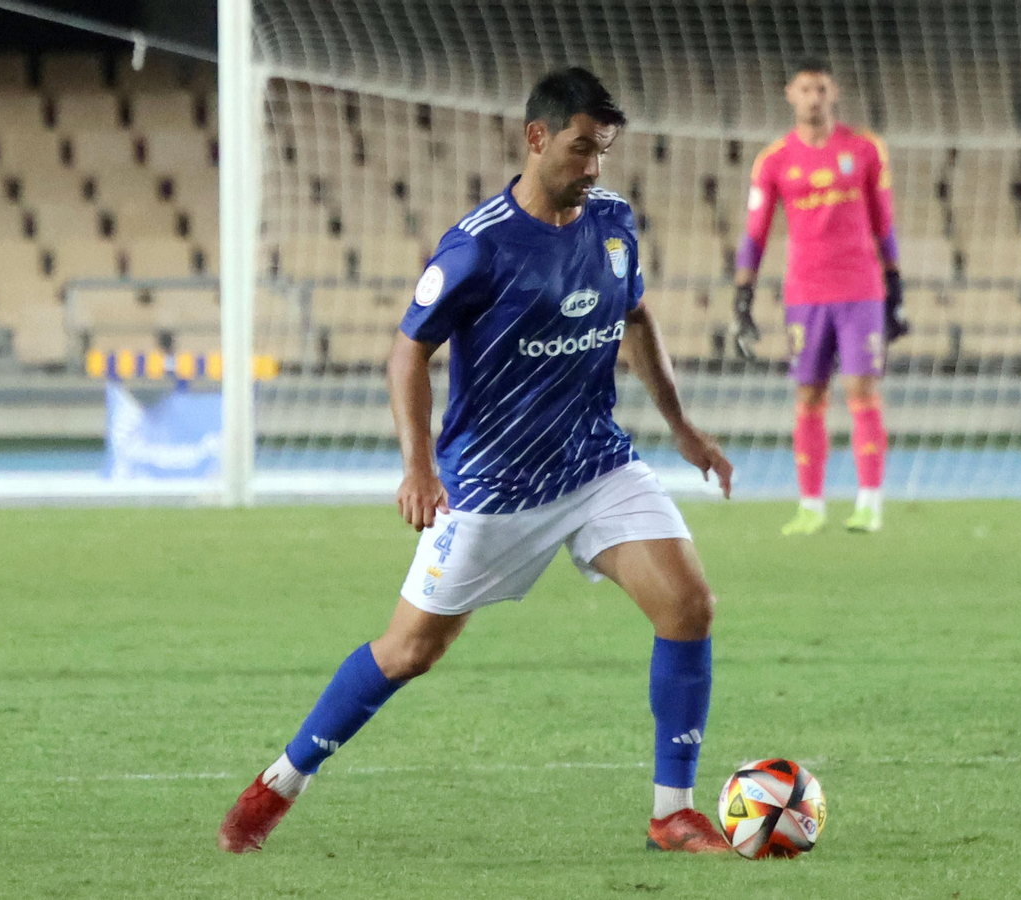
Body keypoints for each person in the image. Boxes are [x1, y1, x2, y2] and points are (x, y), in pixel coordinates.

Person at [219, 68, 736, 854]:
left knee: (689, 607)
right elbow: (405, 355)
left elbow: (637, 320)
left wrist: (683, 428)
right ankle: (279, 784)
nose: (594, 166)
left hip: (596, 465)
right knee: (409, 652)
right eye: (582, 148)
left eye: (604, 151)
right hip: (494, 487)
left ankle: (673, 812)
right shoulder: (478, 247)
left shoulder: (614, 224)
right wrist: (419, 469)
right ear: (537, 138)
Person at [732, 57, 908, 535]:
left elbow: (884, 221)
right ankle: (811, 504)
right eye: (805, 89)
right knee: (809, 395)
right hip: (805, 294)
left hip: (860, 290)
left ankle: (869, 501)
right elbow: (755, 233)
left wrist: (897, 286)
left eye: (822, 89)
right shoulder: (774, 159)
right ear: (790, 93)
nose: (813, 98)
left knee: (861, 390)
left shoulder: (865, 149)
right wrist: (743, 294)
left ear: (835, 93)